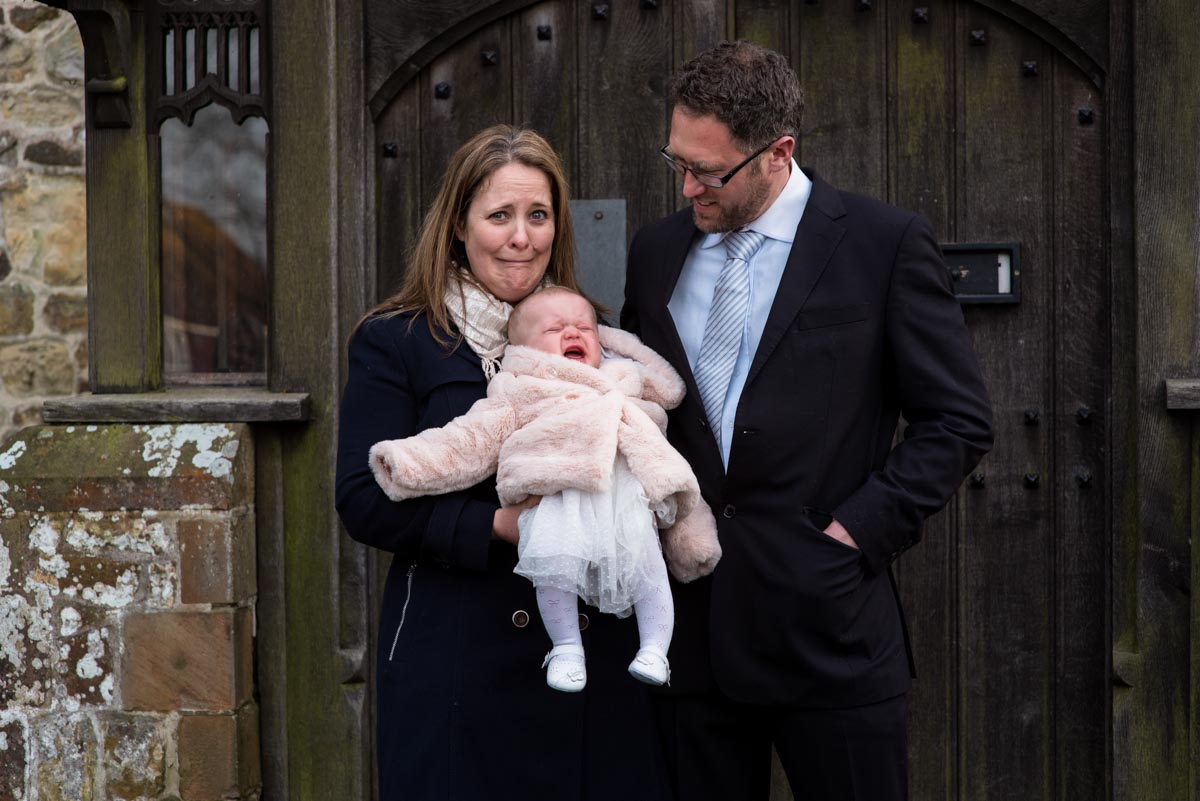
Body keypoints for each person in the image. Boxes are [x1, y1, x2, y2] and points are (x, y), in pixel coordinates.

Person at [621, 41, 994, 801]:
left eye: (708, 170)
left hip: (831, 633)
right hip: (689, 639)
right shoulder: (656, 252)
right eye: (676, 160)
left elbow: (956, 420)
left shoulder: (881, 244)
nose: (688, 184)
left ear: (777, 153)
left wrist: (851, 537)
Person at [336, 125, 671, 801]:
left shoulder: (594, 336)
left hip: (593, 661)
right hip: (459, 659)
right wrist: (498, 526)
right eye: (499, 216)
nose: (522, 237)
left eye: (538, 215)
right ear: (460, 225)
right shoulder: (399, 338)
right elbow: (362, 498)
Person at [367, 286, 720, 693]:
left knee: (650, 574)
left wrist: (689, 532)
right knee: (555, 574)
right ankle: (566, 648)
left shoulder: (624, 386)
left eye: (585, 328)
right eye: (556, 328)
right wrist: (408, 462)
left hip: (628, 505)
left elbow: (663, 459)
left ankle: (656, 650)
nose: (574, 333)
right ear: (523, 348)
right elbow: (468, 439)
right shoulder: (521, 388)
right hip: (555, 500)